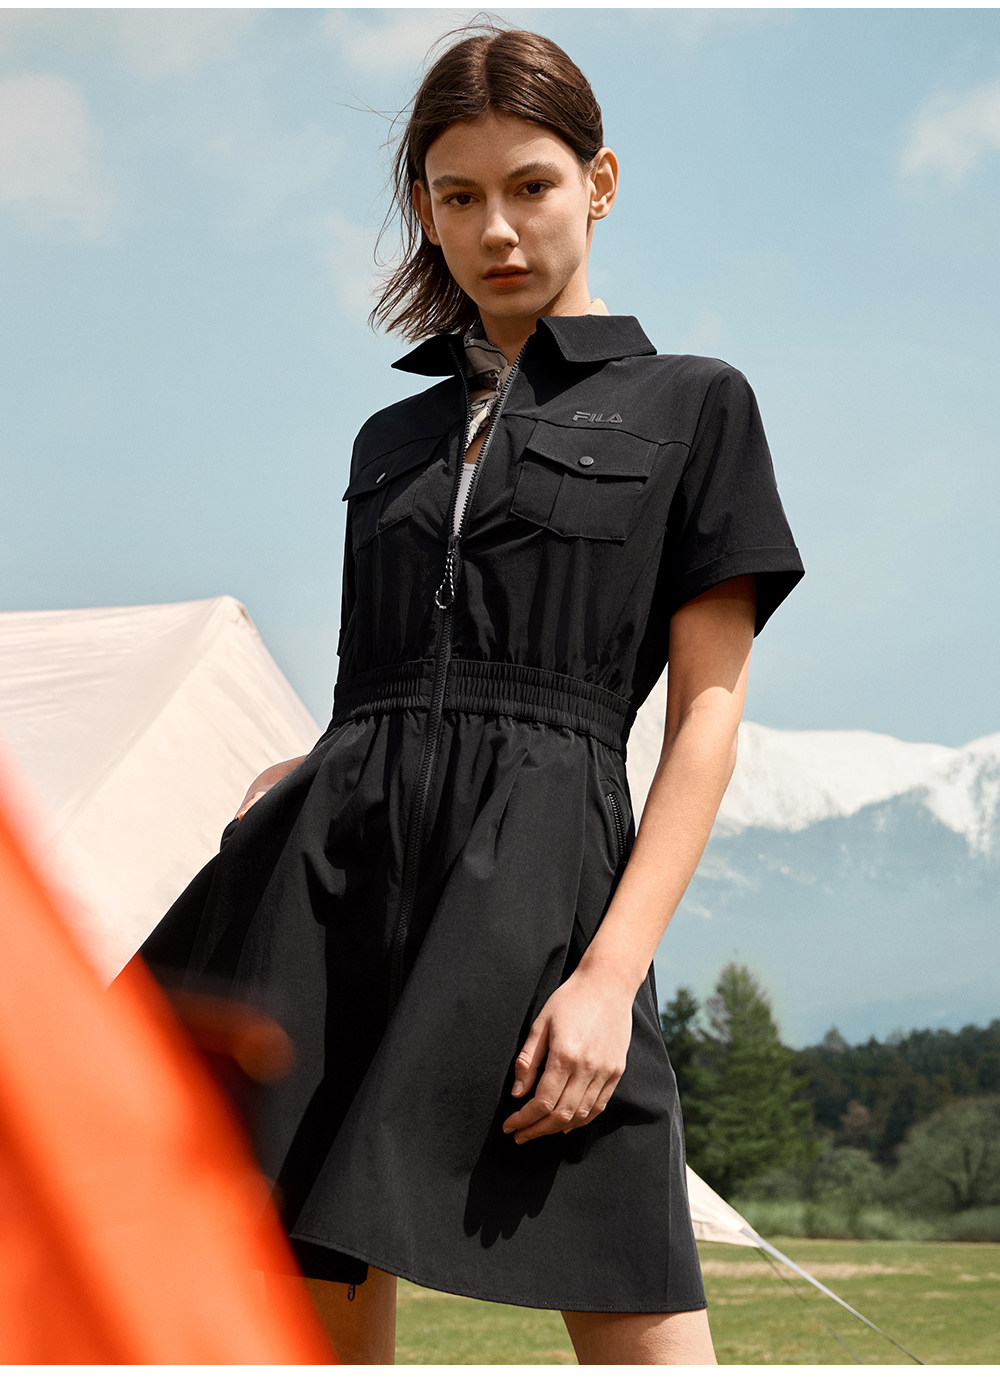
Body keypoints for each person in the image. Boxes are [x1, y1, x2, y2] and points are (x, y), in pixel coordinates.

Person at [140, 26, 804, 1366]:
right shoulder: (390, 436)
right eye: (458, 196)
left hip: (545, 893)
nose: (496, 228)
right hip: (334, 883)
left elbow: (707, 716)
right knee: (307, 1309)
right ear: (424, 210)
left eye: (531, 185)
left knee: (639, 1311)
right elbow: (389, 669)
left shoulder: (695, 405)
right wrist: (324, 758)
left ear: (598, 183)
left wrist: (609, 976)